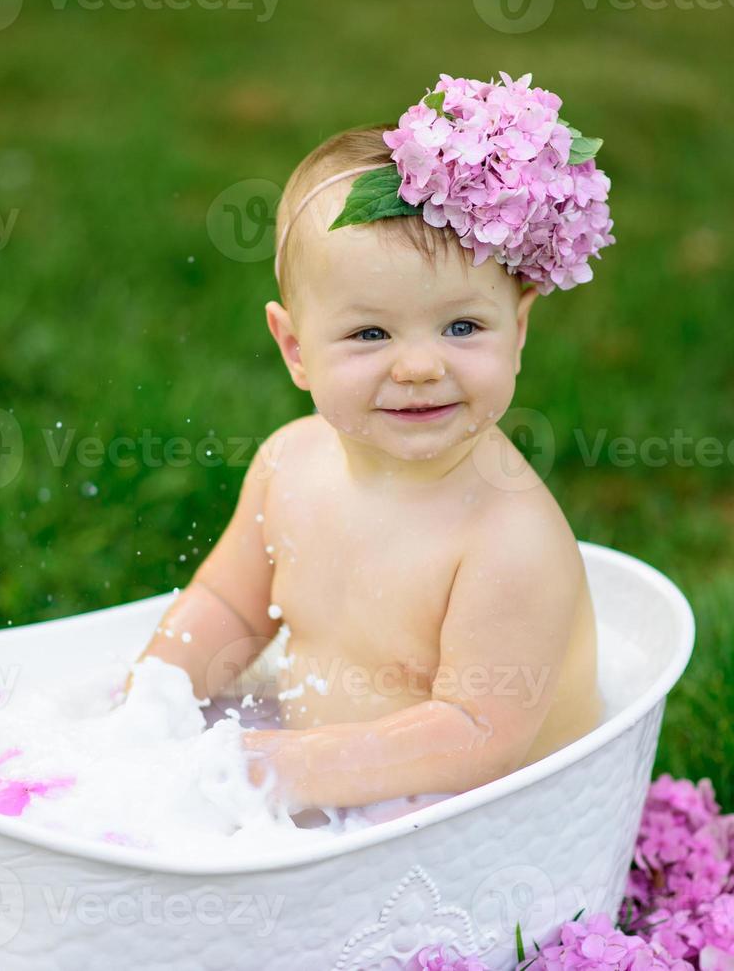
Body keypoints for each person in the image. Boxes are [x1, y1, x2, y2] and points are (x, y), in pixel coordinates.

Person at [127, 71, 615, 817]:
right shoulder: (287, 464)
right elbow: (229, 605)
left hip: (478, 827)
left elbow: (480, 735)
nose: (419, 366)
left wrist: (287, 770)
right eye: (368, 333)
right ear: (294, 349)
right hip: (338, 796)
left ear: (517, 330)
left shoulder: (508, 538)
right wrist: (153, 697)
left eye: (461, 327)